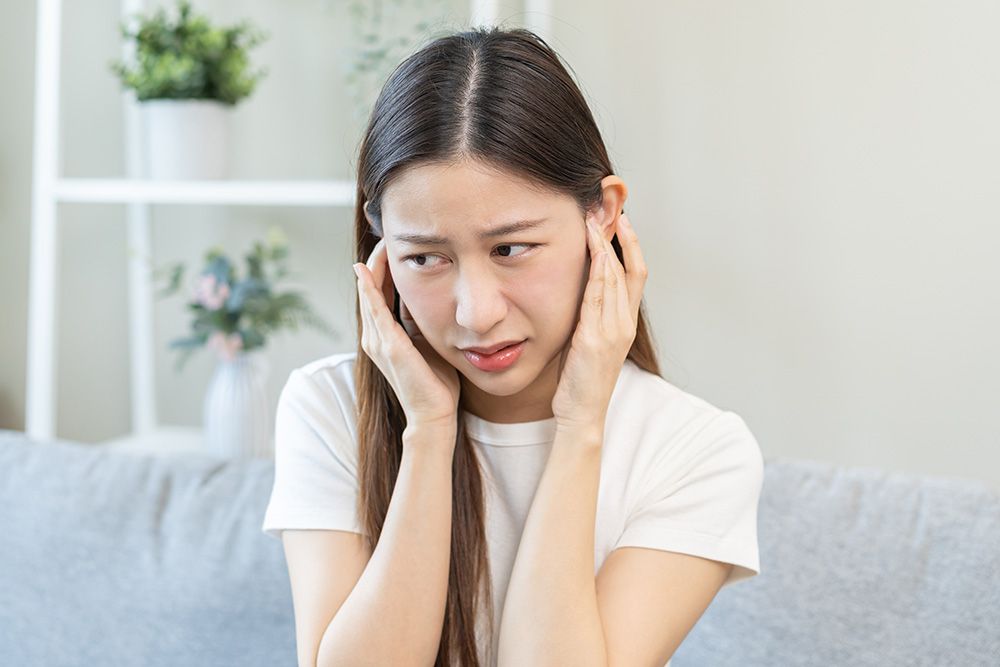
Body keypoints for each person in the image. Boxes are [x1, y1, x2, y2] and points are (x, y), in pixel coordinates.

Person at [261, 25, 764, 667]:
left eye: (511, 248)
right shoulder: (328, 409)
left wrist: (580, 427)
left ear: (603, 213)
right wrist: (428, 431)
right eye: (425, 258)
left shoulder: (695, 451)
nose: (476, 312)